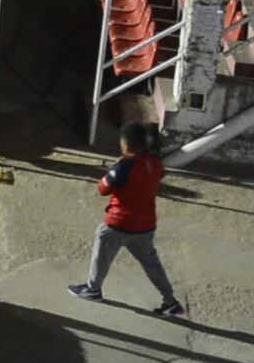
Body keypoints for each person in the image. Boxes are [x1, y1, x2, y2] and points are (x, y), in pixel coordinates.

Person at [67, 124, 185, 315]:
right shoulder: (154, 162)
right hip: (146, 226)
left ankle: (93, 289)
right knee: (152, 264)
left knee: (101, 253)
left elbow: (102, 189)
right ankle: (170, 300)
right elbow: (158, 175)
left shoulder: (123, 167)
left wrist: (115, 167)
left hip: (119, 224)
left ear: (126, 144)